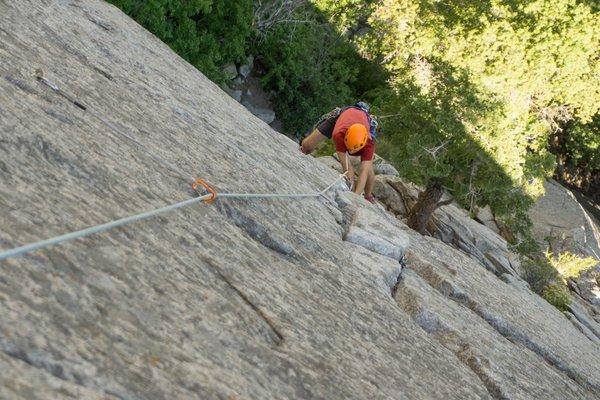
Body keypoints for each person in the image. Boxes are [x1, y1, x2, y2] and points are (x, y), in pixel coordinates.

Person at [300, 102, 377, 203]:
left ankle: (368, 195)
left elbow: (364, 172)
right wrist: (351, 186)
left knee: (368, 167)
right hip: (340, 118)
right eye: (349, 148)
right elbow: (348, 170)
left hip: (360, 128)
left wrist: (356, 198)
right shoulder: (339, 135)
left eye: (354, 150)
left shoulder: (369, 142)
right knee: (306, 146)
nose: (350, 152)